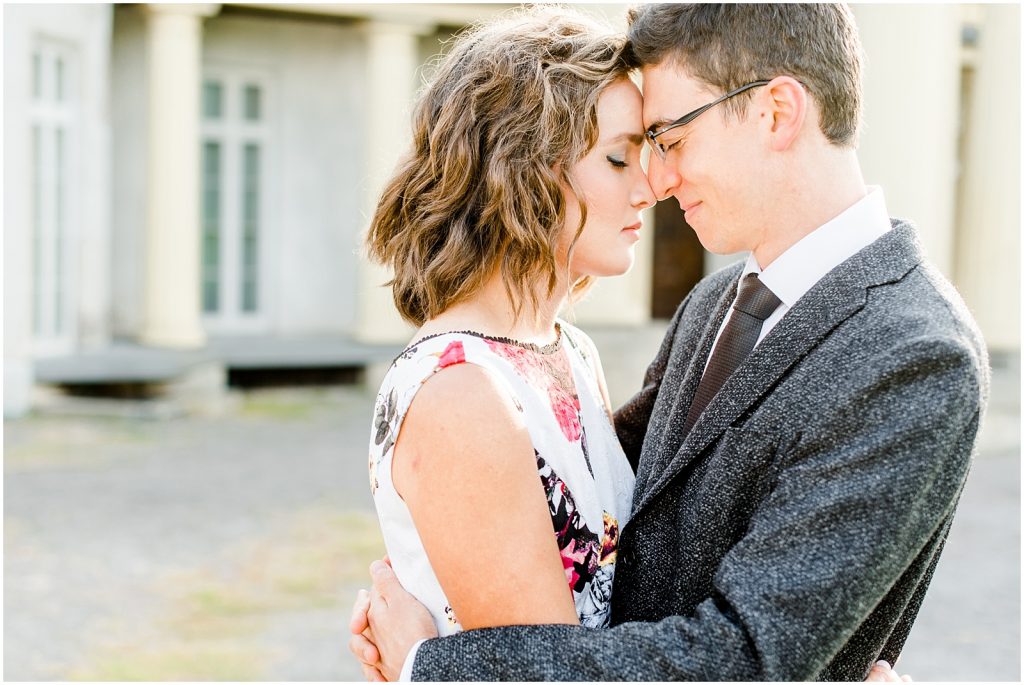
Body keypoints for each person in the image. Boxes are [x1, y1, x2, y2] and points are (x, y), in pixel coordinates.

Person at [350, 3, 989, 681]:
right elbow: (589, 512)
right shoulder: (715, 304)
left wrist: (433, 666)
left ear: (776, 111)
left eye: (672, 137)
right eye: (633, 149)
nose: (658, 178)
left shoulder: (914, 351)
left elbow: (749, 655)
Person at [364, 5, 655, 650]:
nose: (650, 187)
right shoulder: (460, 393)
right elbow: (549, 670)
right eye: (618, 159)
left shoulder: (569, 351)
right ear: (523, 166)